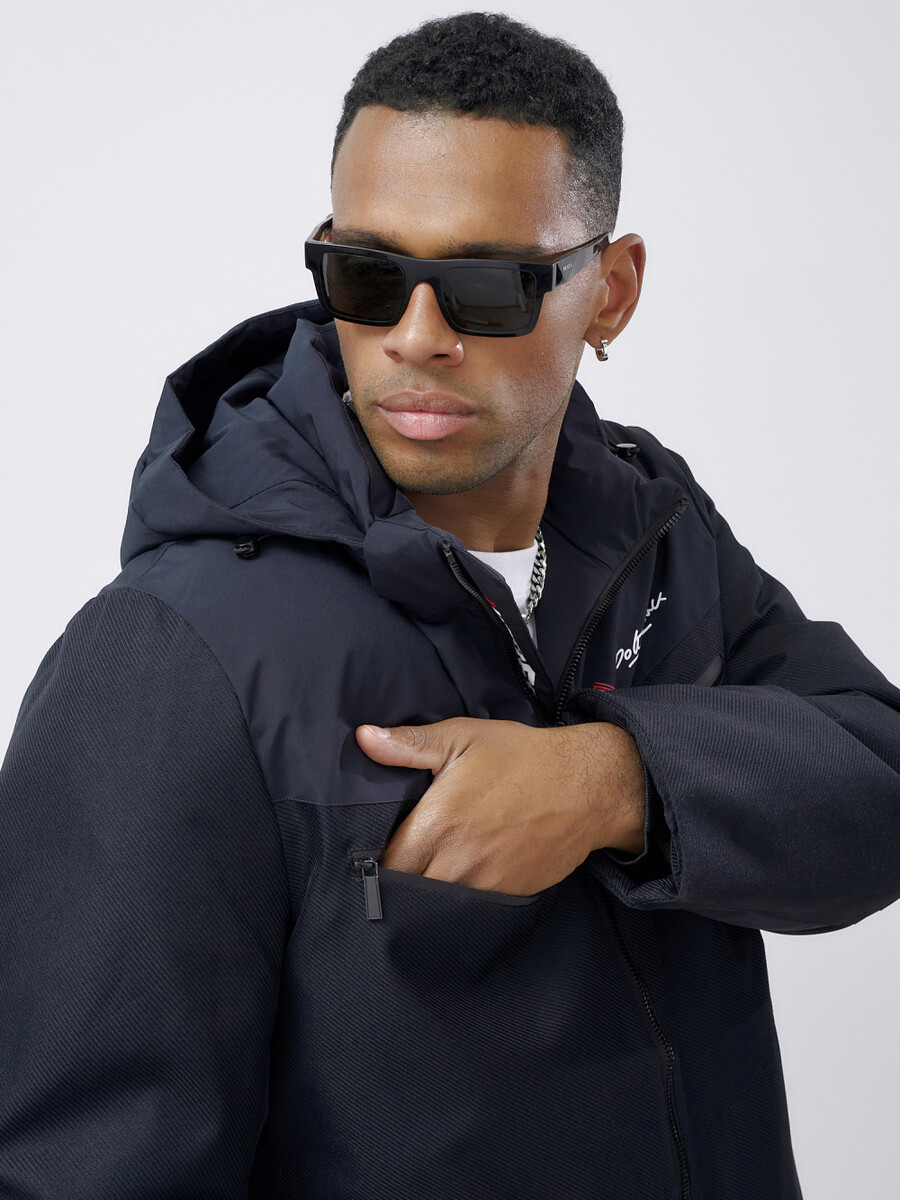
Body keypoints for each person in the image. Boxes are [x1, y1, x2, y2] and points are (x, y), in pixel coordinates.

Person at [1, 10, 898, 1198]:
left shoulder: (654, 532)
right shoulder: (170, 656)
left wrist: (615, 781)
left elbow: (876, 779)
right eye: (368, 277)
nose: (415, 339)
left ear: (611, 291)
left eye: (486, 286)